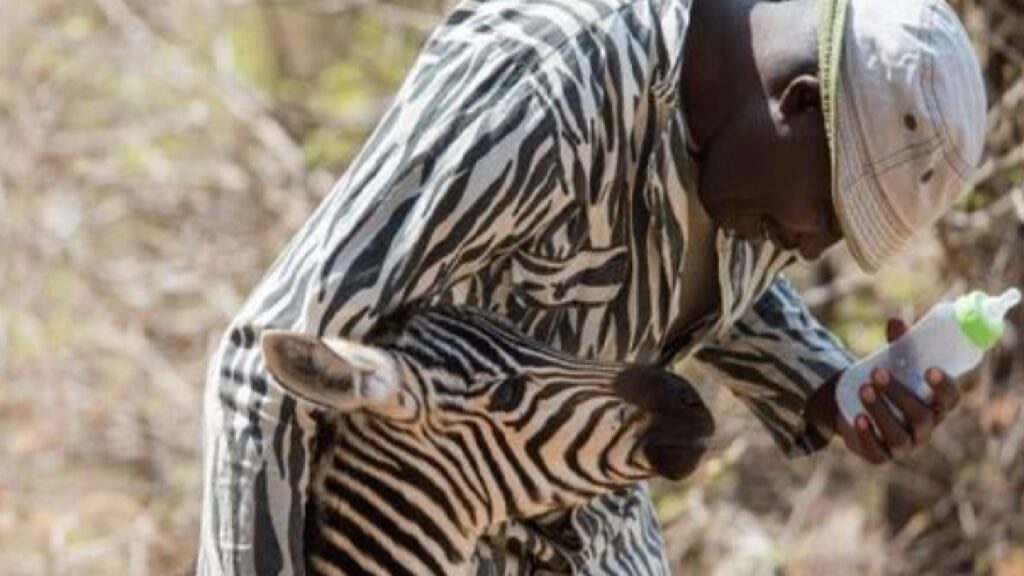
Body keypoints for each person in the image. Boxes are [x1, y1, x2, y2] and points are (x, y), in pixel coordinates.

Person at [196, 0, 987, 573]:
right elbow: (262, 361)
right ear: (797, 102)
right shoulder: (547, 82)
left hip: (606, 547)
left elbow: (701, 269)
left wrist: (827, 387)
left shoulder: (746, 161)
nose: (809, 247)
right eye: (825, 212)